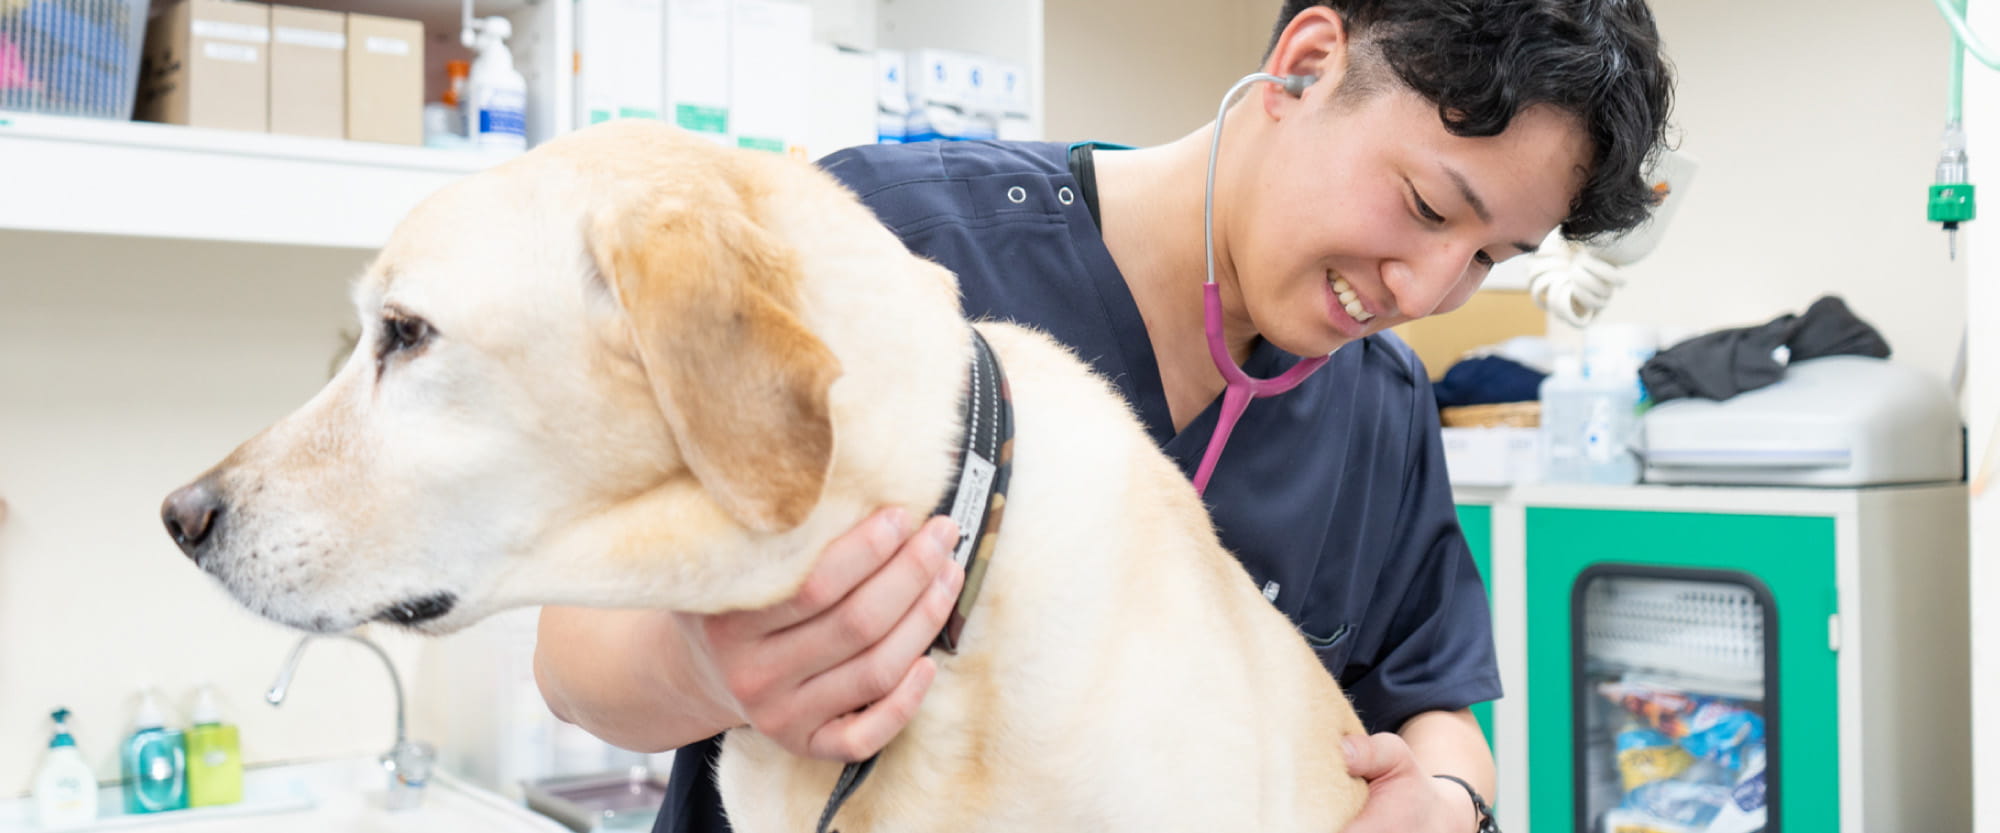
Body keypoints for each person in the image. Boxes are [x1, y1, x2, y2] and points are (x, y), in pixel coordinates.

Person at [534, 1, 1674, 830]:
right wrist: (712, 669)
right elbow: (573, 656)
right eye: (1427, 206)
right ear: (1305, 65)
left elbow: (1436, 706)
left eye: (1485, 257)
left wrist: (1440, 795)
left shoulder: (1378, 411)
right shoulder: (889, 242)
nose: (1423, 292)